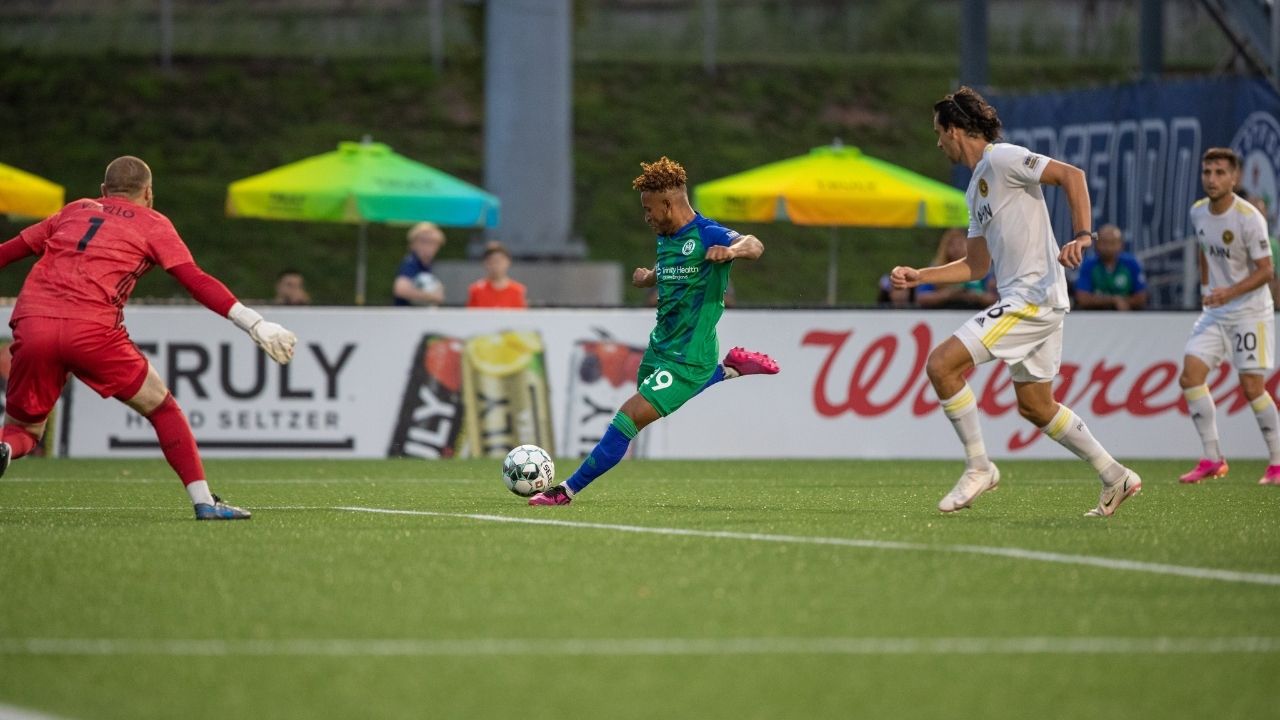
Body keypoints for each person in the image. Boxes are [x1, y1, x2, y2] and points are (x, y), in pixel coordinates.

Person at [890, 86, 1141, 517]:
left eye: (939, 133)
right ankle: (1115, 474)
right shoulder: (976, 189)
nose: (937, 143)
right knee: (1035, 406)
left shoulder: (1003, 158)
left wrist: (1083, 235)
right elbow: (974, 266)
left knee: (941, 364)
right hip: (1034, 298)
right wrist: (922, 276)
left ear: (955, 130)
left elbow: (1072, 176)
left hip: (1032, 297)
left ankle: (979, 467)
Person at [0, 156, 297, 519]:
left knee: (24, 430)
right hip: (91, 328)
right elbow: (195, 280)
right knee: (162, 407)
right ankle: (205, 502)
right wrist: (254, 323)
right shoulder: (153, 222)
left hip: (34, 322)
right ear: (149, 193)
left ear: (103, 191)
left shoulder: (73, 211)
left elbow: (8, 252)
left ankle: (5, 449)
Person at [528, 156, 779, 506]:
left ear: (668, 203)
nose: (646, 216)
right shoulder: (666, 236)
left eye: (649, 209)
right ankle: (727, 369)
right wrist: (651, 276)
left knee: (629, 418)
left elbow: (755, 245)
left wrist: (732, 251)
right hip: (660, 347)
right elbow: (678, 269)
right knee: (645, 403)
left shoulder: (708, 233)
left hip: (688, 357)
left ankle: (565, 491)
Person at [1176, 148, 1279, 486]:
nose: (1212, 179)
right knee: (1190, 377)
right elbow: (1205, 249)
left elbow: (1266, 271)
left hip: (1251, 312)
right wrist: (1208, 287)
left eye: (1220, 173)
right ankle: (1212, 458)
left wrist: (1227, 293)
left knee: (1252, 387)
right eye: (1207, 172)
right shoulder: (1198, 212)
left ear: (1235, 178)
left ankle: (1277, 463)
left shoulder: (1249, 218)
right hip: (1217, 311)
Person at [915, 228, 997, 309]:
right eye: (951, 244)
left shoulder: (979, 267)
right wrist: (947, 295)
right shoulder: (937, 268)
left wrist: (976, 296)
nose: (956, 248)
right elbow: (921, 297)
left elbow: (994, 298)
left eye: (960, 244)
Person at [1072, 224, 1147, 311]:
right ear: (1096, 244)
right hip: (1094, 317)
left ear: (1121, 245)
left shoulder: (1131, 263)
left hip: (1126, 317)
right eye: (1104, 243)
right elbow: (1082, 299)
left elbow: (1141, 297)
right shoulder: (1088, 264)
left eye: (1112, 243)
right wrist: (1114, 300)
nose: (1108, 247)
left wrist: (1121, 302)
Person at [393, 221, 446, 306]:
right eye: (423, 241)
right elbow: (400, 289)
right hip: (404, 315)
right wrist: (432, 296)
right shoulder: (411, 262)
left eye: (433, 242)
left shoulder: (426, 264)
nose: (428, 247)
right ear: (413, 244)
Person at [466, 241, 528, 308]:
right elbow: (470, 316)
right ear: (485, 263)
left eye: (499, 261)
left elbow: (522, 316)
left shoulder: (517, 291)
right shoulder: (476, 290)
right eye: (491, 261)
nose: (496, 265)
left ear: (508, 262)